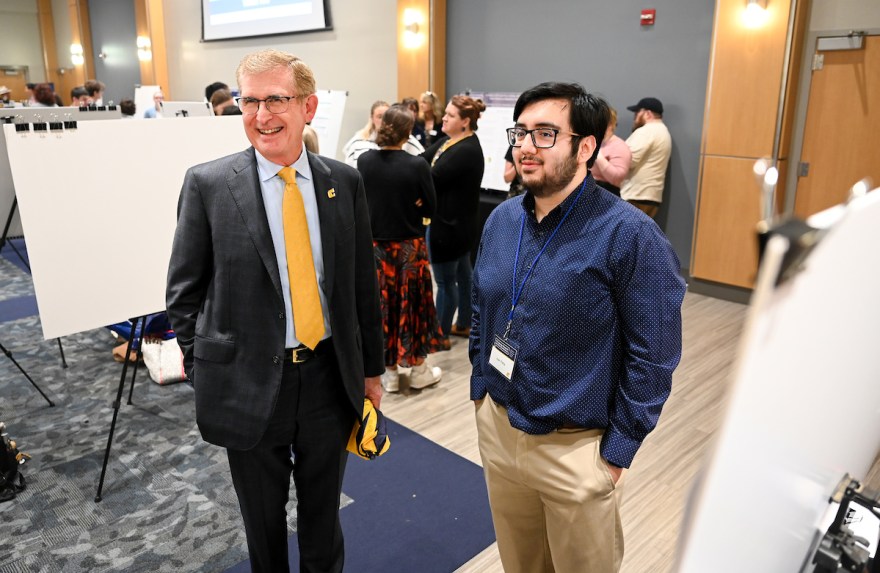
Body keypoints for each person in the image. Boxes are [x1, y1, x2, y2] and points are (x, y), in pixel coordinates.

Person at [166, 49, 384, 572]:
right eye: (249, 101)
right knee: (261, 521)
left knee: (322, 515)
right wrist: (205, 368)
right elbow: (183, 291)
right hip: (245, 383)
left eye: (276, 100)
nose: (261, 115)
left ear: (307, 107)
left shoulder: (343, 182)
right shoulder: (209, 184)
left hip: (329, 379)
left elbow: (360, 286)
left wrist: (372, 370)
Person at [470, 82, 685, 573]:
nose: (525, 146)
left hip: (577, 449)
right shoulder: (503, 220)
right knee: (519, 564)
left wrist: (617, 451)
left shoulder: (630, 235)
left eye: (545, 134)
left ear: (585, 147)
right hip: (500, 431)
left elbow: (653, 354)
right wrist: (481, 386)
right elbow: (484, 306)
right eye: (521, 133)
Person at [357, 104, 443, 392]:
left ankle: (389, 372)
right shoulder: (417, 165)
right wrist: (414, 203)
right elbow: (431, 205)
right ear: (407, 132)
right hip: (409, 249)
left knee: (383, 308)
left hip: (376, 250)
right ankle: (418, 369)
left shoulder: (365, 161)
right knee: (414, 305)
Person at [422, 95, 485, 348]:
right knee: (462, 274)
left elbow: (431, 176)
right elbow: (420, 162)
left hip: (449, 226)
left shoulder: (466, 150)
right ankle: (464, 323)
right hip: (457, 224)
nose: (443, 118)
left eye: (450, 115)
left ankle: (440, 334)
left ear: (465, 122)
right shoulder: (449, 142)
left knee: (445, 282)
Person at [619, 97, 672, 218]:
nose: (635, 117)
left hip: (635, 196)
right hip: (651, 197)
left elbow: (627, 160)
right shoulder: (663, 131)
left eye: (637, 113)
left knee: (625, 236)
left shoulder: (646, 131)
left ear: (647, 113)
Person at [341, 100, 423, 167]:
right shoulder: (358, 141)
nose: (383, 121)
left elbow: (421, 158)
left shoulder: (405, 139)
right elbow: (348, 171)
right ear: (372, 118)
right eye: (379, 117)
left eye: (386, 116)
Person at [591, 106, 632, 196]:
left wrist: (599, 156)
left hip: (606, 194)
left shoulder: (620, 146)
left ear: (610, 125)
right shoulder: (595, 141)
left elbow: (616, 178)